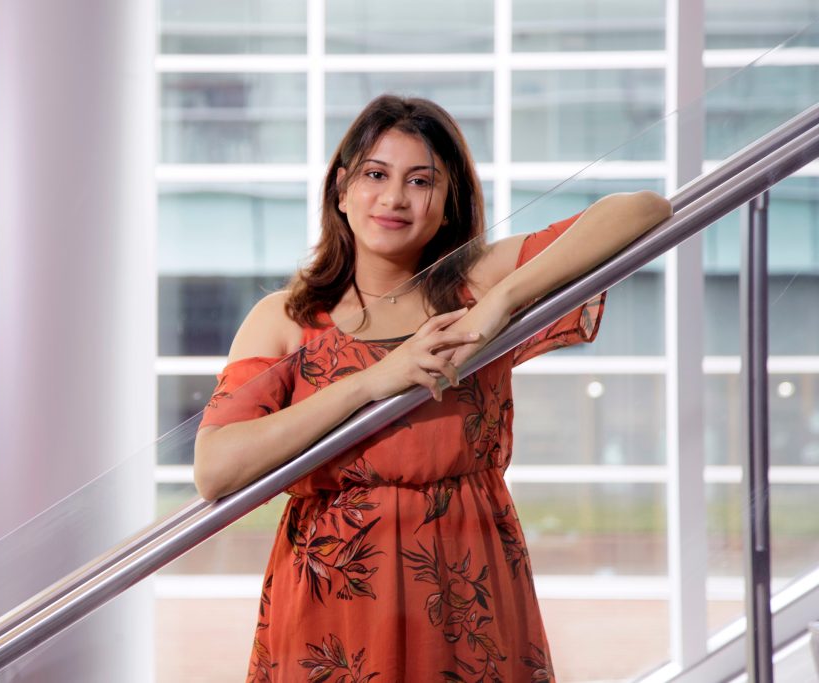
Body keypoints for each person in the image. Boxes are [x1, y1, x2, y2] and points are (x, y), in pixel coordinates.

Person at [194, 95, 671, 682]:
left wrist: (499, 304)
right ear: (341, 190)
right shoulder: (287, 317)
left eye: (420, 181)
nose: (394, 198)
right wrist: (371, 383)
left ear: (447, 205)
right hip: (333, 605)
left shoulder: (475, 286)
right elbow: (216, 467)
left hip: (468, 586)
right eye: (375, 174)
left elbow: (641, 209)